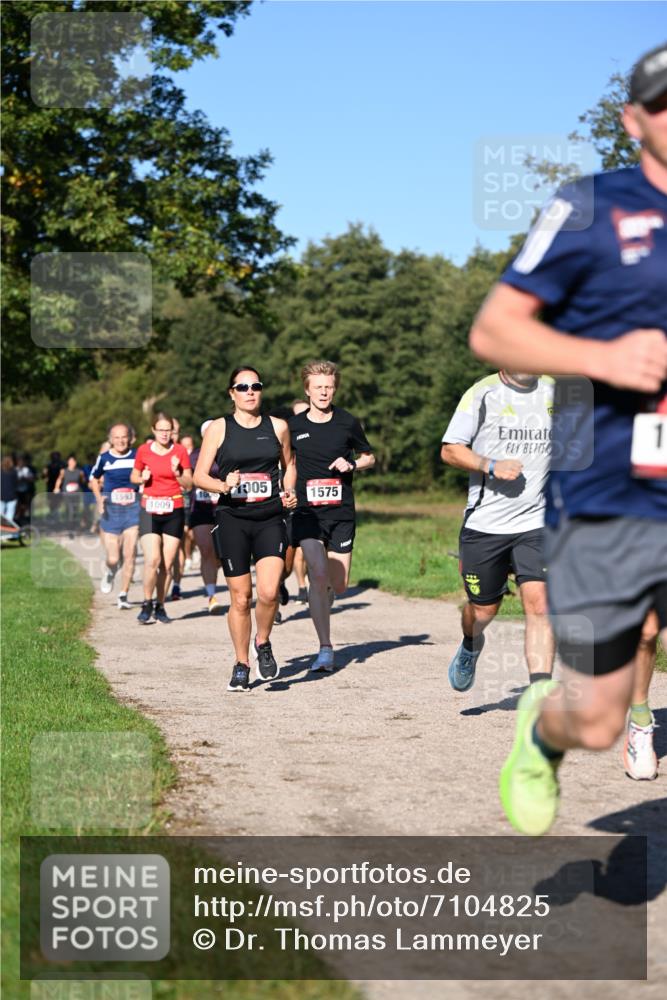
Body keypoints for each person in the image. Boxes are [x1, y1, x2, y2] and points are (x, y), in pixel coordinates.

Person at [468, 42, 667, 835]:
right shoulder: (590, 207)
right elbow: (494, 329)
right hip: (611, 498)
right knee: (592, 718)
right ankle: (540, 731)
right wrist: (602, 358)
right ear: (632, 122)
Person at [441, 370, 555, 691]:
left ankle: (539, 696)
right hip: (485, 525)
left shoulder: (556, 393)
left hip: (537, 523)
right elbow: (450, 449)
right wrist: (490, 465)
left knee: (540, 604)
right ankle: (470, 644)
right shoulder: (482, 394)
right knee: (483, 611)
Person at [193, 367, 297, 691]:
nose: (250, 391)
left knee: (268, 592)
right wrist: (223, 485)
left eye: (256, 386)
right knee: (241, 599)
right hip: (233, 518)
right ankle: (241, 663)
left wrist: (289, 491)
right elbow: (199, 476)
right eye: (243, 387)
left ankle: (262, 641)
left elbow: (289, 464)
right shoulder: (219, 429)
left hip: (269, 516)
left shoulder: (278, 426)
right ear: (232, 393)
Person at [288, 360, 375, 672]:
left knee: (338, 585)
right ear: (307, 390)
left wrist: (351, 465)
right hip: (307, 512)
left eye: (328, 387)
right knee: (319, 574)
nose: (324, 392)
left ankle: (324, 598)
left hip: (341, 512)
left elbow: (369, 456)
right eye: (318, 387)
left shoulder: (347, 422)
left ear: (334, 388)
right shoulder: (293, 427)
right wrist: (286, 492)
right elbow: (287, 464)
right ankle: (325, 647)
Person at [131, 413, 193, 624]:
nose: (165, 433)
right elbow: (134, 476)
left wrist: (177, 472)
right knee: (152, 560)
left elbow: (189, 483)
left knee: (166, 563)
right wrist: (142, 478)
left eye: (169, 430)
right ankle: (146, 603)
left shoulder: (180, 451)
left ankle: (160, 605)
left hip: (173, 509)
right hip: (149, 508)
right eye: (162, 430)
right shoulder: (143, 450)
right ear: (154, 430)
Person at [89, 423, 140, 609]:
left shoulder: (137, 456)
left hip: (133, 509)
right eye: (116, 437)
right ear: (111, 439)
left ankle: (123, 595)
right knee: (113, 558)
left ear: (130, 438)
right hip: (111, 510)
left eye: (124, 436)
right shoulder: (104, 458)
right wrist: (98, 499)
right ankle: (110, 572)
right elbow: (94, 479)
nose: (120, 441)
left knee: (130, 554)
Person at [189, 419, 224, 614]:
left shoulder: (230, 452)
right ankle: (211, 595)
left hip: (225, 509)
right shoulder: (195, 455)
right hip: (201, 509)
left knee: (221, 554)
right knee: (206, 550)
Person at [283, 399, 310, 605]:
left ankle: (307, 587)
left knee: (307, 549)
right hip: (282, 504)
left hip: (307, 502)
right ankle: (279, 584)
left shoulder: (313, 440)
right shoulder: (281, 438)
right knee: (286, 563)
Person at [54, 455, 86, 532]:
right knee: (70, 509)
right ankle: (69, 525)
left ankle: (74, 525)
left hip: (76, 494)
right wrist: (56, 487)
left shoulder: (80, 472)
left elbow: (83, 481)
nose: (72, 463)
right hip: (67, 494)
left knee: (75, 510)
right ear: (68, 462)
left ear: (75, 462)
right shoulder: (63, 471)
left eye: (73, 461)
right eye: (70, 461)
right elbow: (59, 479)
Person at [15, 453, 36, 524]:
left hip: (25, 490)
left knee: (25, 505)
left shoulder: (26, 469)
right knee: (18, 506)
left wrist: (25, 478)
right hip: (16, 491)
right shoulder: (15, 470)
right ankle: (17, 518)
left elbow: (32, 478)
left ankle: (23, 518)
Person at [0, 456, 19, 522]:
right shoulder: (14, 472)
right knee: (9, 517)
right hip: (12, 496)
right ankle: (8, 532)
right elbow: (16, 483)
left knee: (1, 516)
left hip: (1, 495)